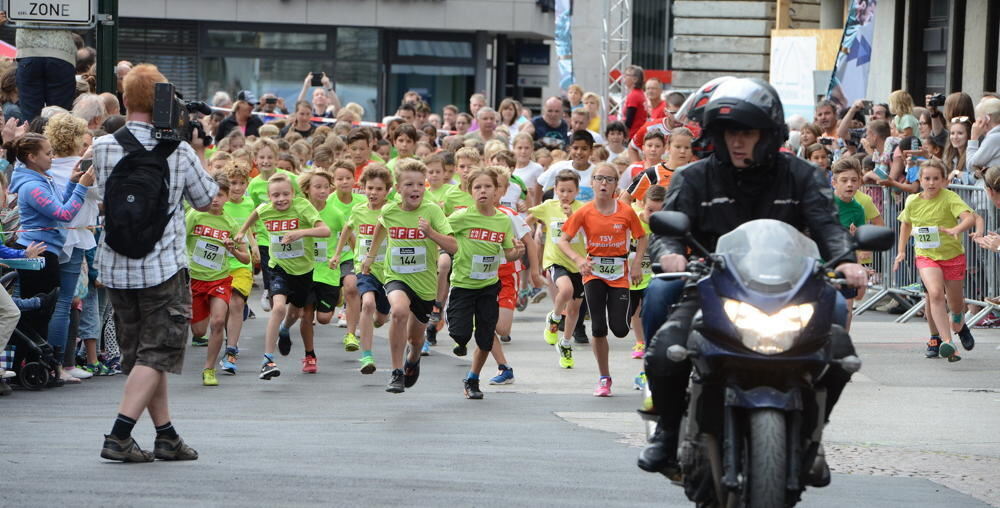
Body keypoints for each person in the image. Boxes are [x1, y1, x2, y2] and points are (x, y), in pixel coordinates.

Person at [637, 78, 867, 484]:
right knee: (664, 336)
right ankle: (668, 428)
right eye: (729, 133)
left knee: (840, 344)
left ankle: (813, 435)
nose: (736, 142)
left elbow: (828, 227)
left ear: (769, 134)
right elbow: (666, 231)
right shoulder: (694, 178)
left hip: (791, 289)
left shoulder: (802, 176)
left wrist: (846, 262)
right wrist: (669, 251)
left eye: (746, 132)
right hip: (713, 284)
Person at [95, 64, 217, 462]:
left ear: (126, 100)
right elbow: (206, 199)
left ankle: (166, 436)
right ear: (168, 104)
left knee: (146, 357)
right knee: (157, 352)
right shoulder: (179, 151)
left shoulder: (102, 146)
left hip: (115, 267)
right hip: (162, 268)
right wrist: (196, 145)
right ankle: (119, 435)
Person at [361, 159, 454, 393]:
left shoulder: (432, 210)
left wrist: (431, 233)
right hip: (395, 276)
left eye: (420, 185)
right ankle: (396, 372)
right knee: (399, 312)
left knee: (415, 339)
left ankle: (412, 357)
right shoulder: (389, 210)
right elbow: (380, 227)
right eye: (409, 184)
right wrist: (371, 257)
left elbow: (453, 246)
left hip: (424, 282)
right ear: (397, 189)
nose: (415, 189)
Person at [8, 133, 92, 385]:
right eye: (47, 153)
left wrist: (72, 184)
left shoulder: (41, 179)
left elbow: (58, 206)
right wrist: (83, 187)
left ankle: (38, 363)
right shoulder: (32, 186)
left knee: (45, 310)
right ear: (32, 158)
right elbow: (64, 214)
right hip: (38, 253)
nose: (52, 157)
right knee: (39, 310)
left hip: (48, 251)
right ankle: (28, 363)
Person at [558, 162, 647, 396]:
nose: (604, 183)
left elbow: (642, 238)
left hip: (619, 274)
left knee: (619, 329)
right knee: (598, 327)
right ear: (592, 183)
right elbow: (563, 240)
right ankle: (604, 378)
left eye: (609, 179)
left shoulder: (626, 212)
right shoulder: (584, 212)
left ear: (617, 185)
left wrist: (636, 264)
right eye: (599, 179)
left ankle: (623, 321)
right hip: (593, 273)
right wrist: (578, 260)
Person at [236, 173, 330, 380]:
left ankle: (285, 329)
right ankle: (267, 360)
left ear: (294, 193)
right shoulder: (265, 209)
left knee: (295, 314)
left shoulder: (302, 207)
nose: (281, 199)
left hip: (304, 271)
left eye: (285, 194)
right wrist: (241, 232)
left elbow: (326, 231)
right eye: (275, 195)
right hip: (278, 267)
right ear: (269, 197)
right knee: (278, 307)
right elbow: (254, 215)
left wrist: (301, 233)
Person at [893, 159, 978, 361]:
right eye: (927, 178)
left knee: (956, 304)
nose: (931, 183)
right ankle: (947, 342)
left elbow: (970, 217)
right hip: (926, 255)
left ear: (943, 180)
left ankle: (958, 321)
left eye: (935, 179)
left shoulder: (950, 198)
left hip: (952, 256)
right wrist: (901, 250)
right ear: (920, 180)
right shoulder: (912, 201)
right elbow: (906, 224)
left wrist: (956, 229)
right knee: (935, 293)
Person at [446, 166, 519, 399]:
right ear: (470, 191)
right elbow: (443, 234)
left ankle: (472, 379)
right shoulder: (461, 217)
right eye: (478, 187)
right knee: (460, 334)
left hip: (489, 285)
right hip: (463, 285)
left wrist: (517, 253)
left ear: (497, 191)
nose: (483, 191)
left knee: (486, 337)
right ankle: (456, 330)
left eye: (488, 186)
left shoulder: (502, 220)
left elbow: (508, 253)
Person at [185, 174, 250, 386]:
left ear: (227, 197)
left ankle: (209, 369)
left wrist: (232, 248)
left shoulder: (230, 224)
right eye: (211, 195)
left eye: (220, 195)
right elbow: (178, 241)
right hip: (195, 278)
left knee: (219, 321)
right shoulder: (194, 215)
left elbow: (246, 257)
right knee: (199, 330)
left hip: (219, 278)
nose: (215, 199)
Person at [331, 164, 392, 375]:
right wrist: (337, 254)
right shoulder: (358, 210)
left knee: (381, 317)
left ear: (387, 191)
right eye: (369, 188)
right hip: (365, 269)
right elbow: (347, 229)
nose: (373, 193)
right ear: (363, 188)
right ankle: (367, 355)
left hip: (389, 272)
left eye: (378, 189)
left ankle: (376, 319)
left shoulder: (392, 211)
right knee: (367, 303)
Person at [526, 170, 586, 367]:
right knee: (566, 290)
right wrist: (520, 235)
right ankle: (554, 317)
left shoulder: (583, 209)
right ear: (555, 190)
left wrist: (573, 217)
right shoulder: (548, 206)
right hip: (555, 260)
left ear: (577, 191)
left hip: (579, 263)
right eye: (561, 190)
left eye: (570, 190)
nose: (565, 195)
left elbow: (589, 232)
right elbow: (528, 219)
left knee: (575, 309)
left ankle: (566, 343)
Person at [298, 169, 345, 374]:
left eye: (326, 187)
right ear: (307, 189)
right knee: (306, 315)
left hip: (328, 272)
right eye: (318, 187)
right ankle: (309, 355)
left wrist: (341, 256)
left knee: (325, 318)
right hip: (306, 271)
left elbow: (348, 235)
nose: (323, 191)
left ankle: (339, 295)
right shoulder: (301, 212)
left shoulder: (335, 213)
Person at [326, 160, 367, 348]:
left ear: (354, 180)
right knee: (327, 312)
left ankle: (351, 333)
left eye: (348, 178)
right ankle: (338, 297)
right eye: (339, 178)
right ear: (333, 182)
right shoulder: (328, 202)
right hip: (330, 255)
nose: (344, 182)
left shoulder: (362, 201)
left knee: (352, 287)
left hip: (353, 253)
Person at [220, 161, 256, 374]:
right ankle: (227, 337)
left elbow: (248, 227)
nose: (237, 187)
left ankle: (231, 349)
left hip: (242, 261)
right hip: (221, 262)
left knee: (236, 302)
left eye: (241, 183)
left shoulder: (249, 204)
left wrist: (253, 246)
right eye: (233, 183)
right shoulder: (220, 203)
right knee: (222, 307)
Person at [968, 98, 1000, 169]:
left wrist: (974, 137)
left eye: (979, 117)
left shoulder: (993, 138)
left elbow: (970, 165)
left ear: (987, 118)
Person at [622, 65, 648, 138]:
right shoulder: (639, 93)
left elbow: (629, 120)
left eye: (627, 75)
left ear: (635, 79)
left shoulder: (634, 95)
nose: (624, 77)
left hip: (633, 135)